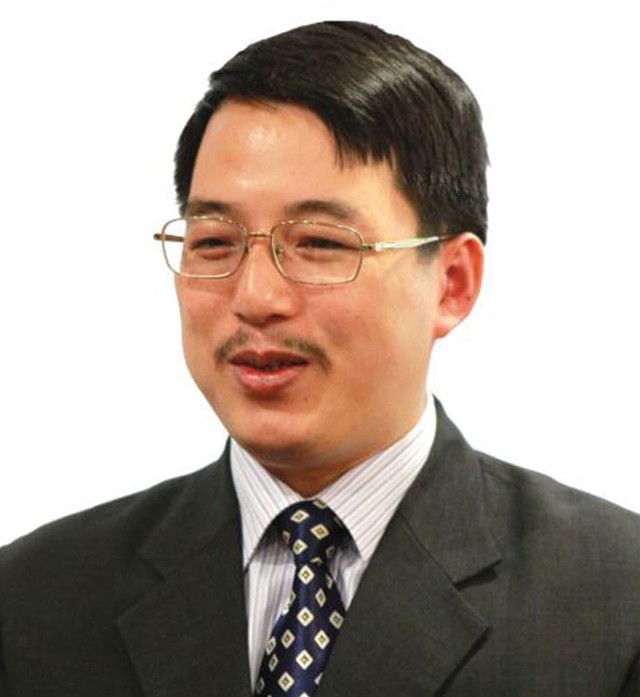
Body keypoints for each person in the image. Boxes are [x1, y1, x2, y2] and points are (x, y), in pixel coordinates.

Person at [0, 20, 638, 697]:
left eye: (320, 244)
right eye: (215, 242)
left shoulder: (614, 603)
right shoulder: (33, 601)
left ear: (452, 283)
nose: (256, 297)